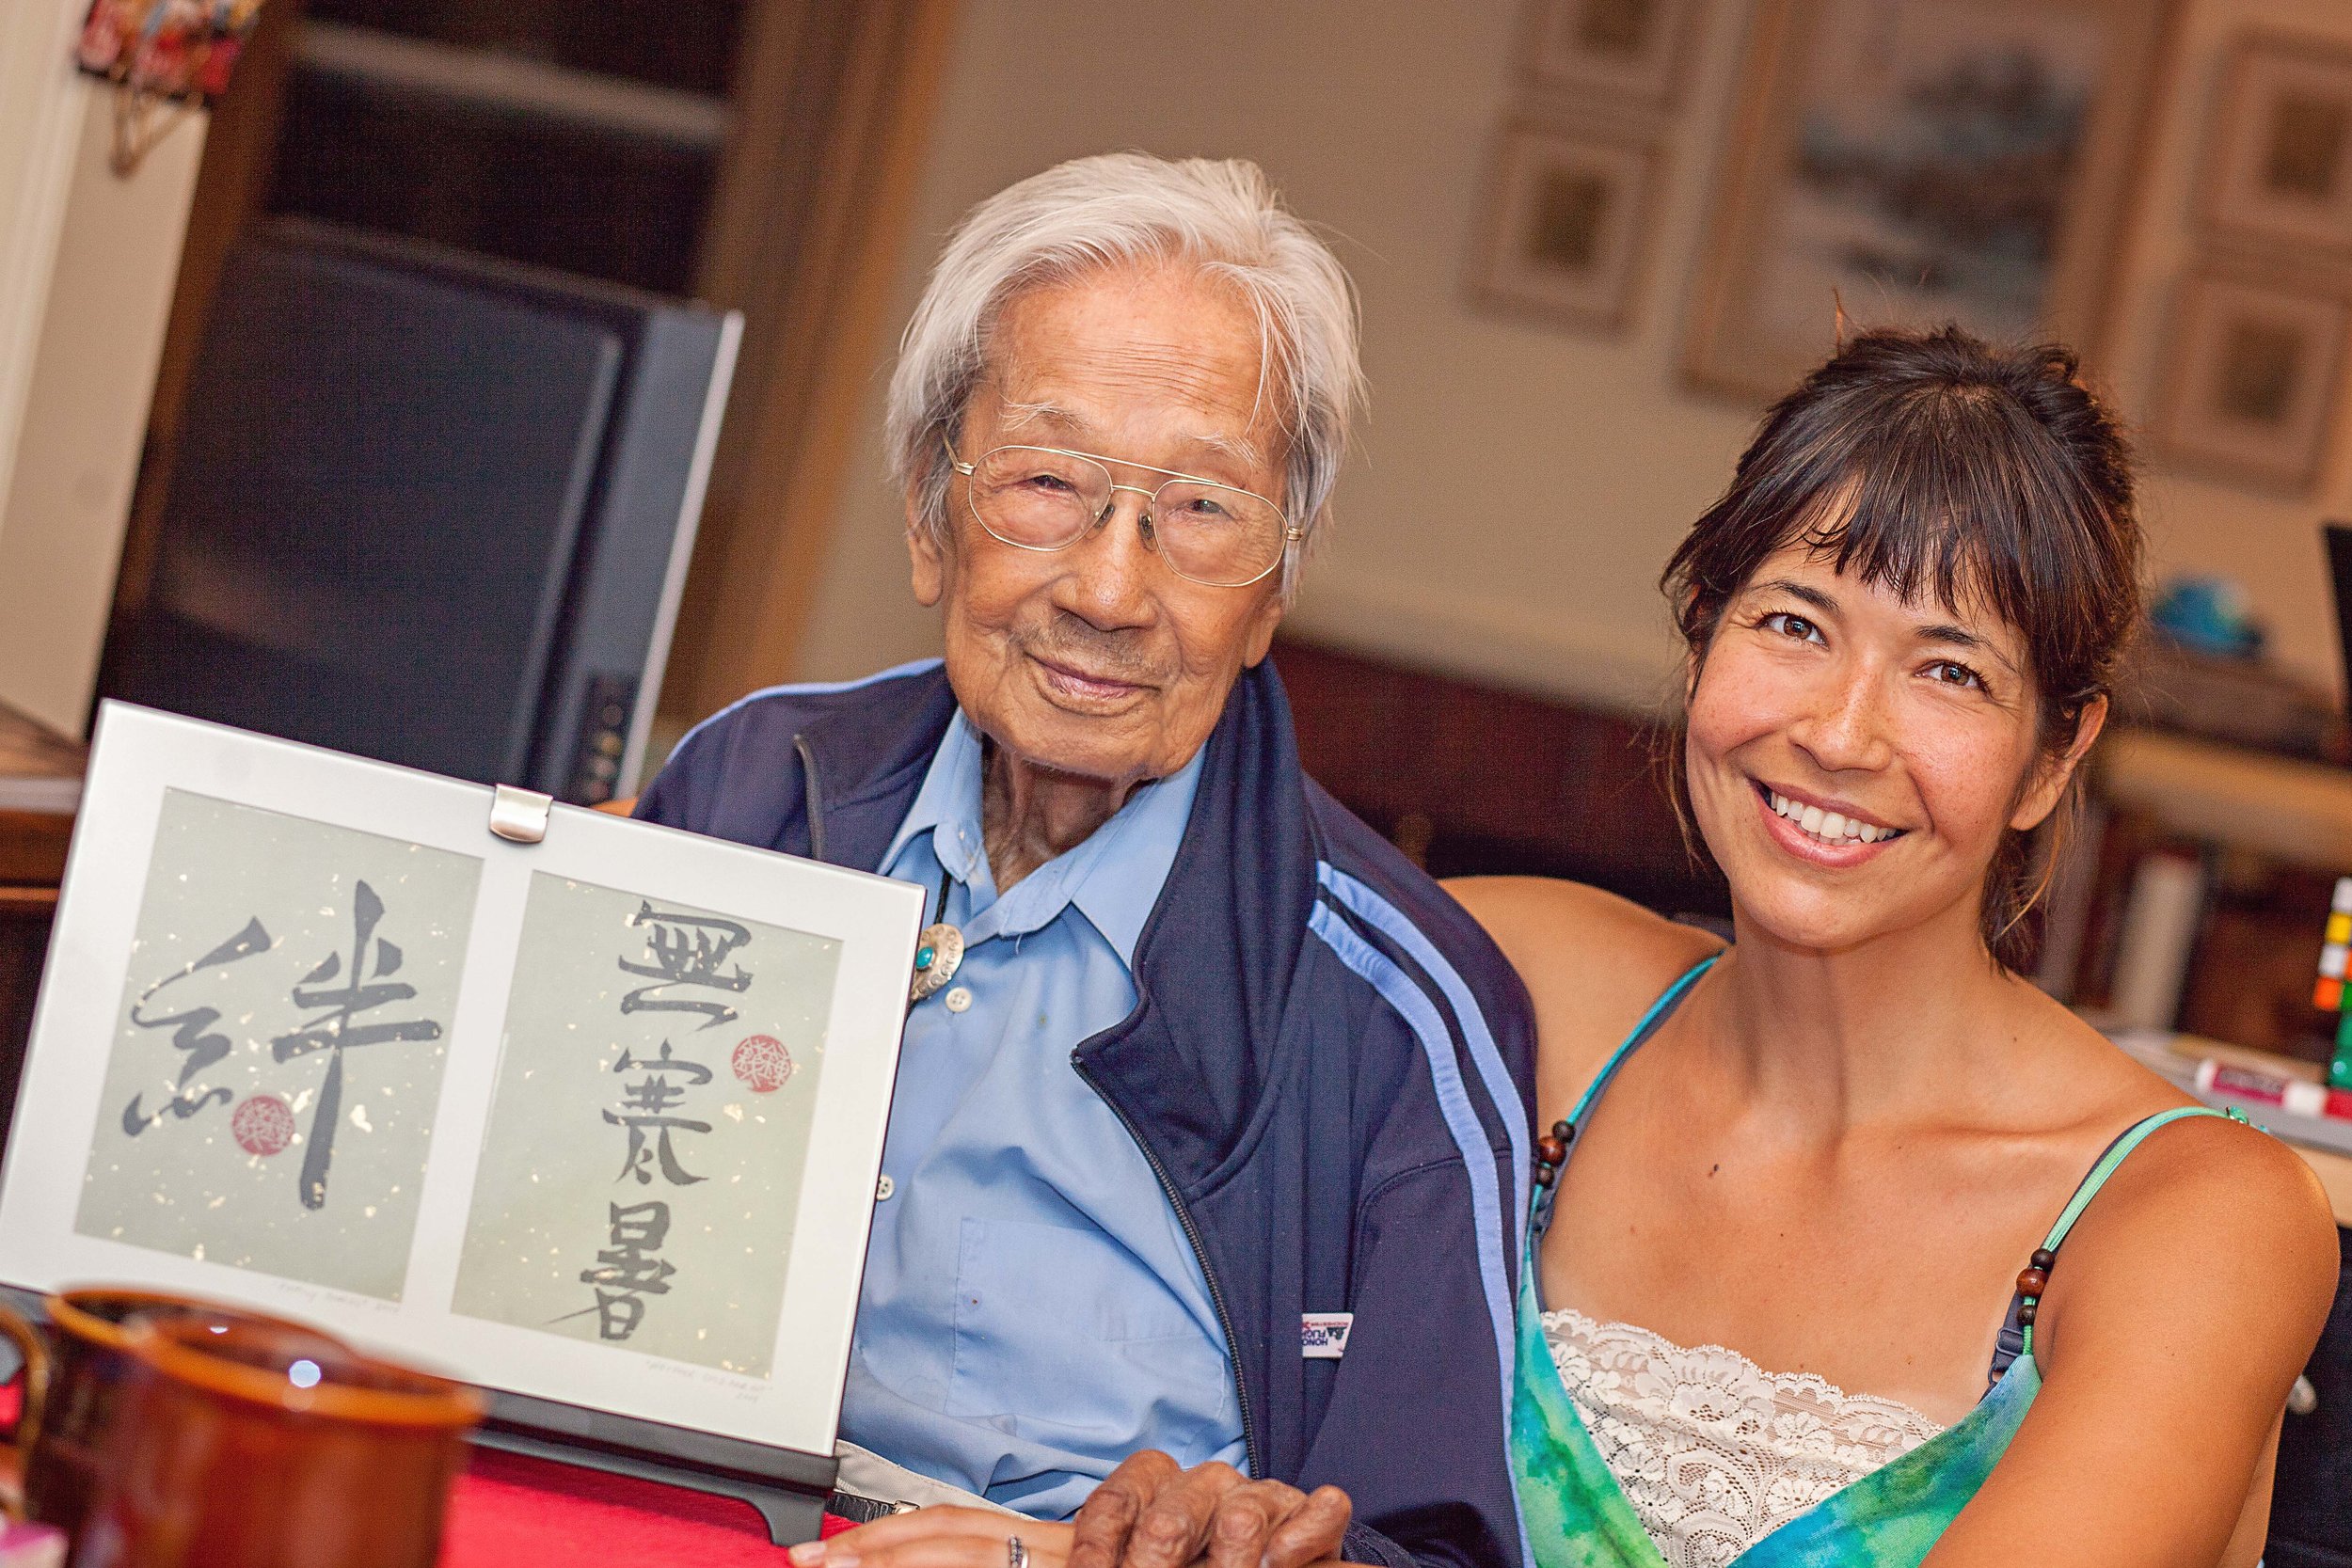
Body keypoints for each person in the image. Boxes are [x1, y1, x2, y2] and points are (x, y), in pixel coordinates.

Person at [1068, 327, 2340, 1568]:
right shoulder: (1518, 986)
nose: (1842, 734)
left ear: (2052, 758)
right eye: (1793, 625)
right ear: (1701, 629)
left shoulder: (2195, 1218)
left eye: (1950, 672)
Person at [635, 152, 1534, 1568]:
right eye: (1048, 482)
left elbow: (1433, 1554)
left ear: (1275, 587)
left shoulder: (1398, 1014)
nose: (1110, 590)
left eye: (1199, 510)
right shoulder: (752, 793)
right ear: (933, 517)